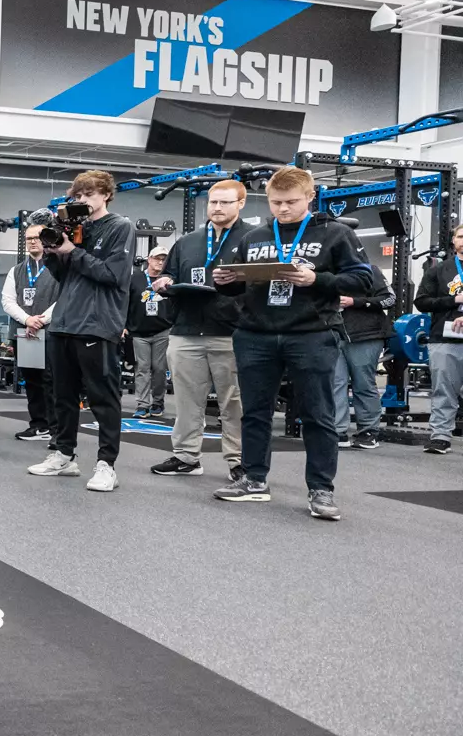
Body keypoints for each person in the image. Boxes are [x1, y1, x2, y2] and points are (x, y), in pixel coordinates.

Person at [211, 167, 375, 520]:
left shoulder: (335, 233)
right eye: (275, 202)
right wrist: (225, 281)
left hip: (311, 333)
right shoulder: (255, 235)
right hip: (256, 333)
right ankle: (253, 480)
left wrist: (316, 278)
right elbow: (240, 285)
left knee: (317, 413)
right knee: (254, 411)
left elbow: (363, 280)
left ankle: (321, 490)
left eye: (290, 202)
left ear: (309, 197)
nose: (283, 209)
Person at [27, 170, 135, 494]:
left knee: (103, 399)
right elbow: (64, 275)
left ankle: (107, 465)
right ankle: (63, 454)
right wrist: (53, 250)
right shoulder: (75, 229)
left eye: (88, 194)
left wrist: (72, 251)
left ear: (105, 195)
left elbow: (112, 274)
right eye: (77, 196)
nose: (82, 201)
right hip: (64, 321)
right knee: (62, 396)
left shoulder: (120, 227)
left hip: (98, 323)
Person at [148, 180, 247, 479]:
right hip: (186, 330)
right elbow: (169, 275)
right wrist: (163, 282)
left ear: (241, 203)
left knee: (235, 402)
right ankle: (186, 456)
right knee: (187, 400)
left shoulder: (253, 239)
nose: (217, 208)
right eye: (213, 202)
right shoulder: (188, 240)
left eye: (225, 202)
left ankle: (239, 461)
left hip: (232, 332)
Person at [2, 224, 58, 442]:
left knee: (51, 381)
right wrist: (27, 320)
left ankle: (55, 429)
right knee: (31, 381)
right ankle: (38, 425)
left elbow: (64, 298)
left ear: (46, 240)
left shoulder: (58, 267)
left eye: (37, 237)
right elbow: (7, 301)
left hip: (51, 332)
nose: (33, 241)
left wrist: (41, 320)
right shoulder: (16, 270)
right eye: (29, 238)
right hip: (24, 334)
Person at [333, 264, 395, 450]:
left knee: (363, 383)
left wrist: (355, 301)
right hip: (332, 333)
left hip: (366, 335)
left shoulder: (369, 269)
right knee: (335, 383)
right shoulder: (324, 269)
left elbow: (389, 299)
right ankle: (337, 431)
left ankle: (369, 431)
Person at [414, 223, 463, 454]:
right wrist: (452, 301)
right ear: (453, 240)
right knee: (444, 389)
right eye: (460, 236)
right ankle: (440, 435)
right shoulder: (439, 270)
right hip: (444, 339)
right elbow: (421, 302)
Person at [125, 244, 172, 419]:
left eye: (164, 259)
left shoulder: (169, 280)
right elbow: (126, 302)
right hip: (139, 331)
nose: (160, 262)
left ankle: (158, 402)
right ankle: (142, 405)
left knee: (159, 369)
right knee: (142, 369)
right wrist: (124, 325)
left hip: (162, 330)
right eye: (157, 258)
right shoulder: (135, 278)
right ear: (149, 260)